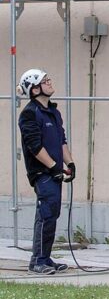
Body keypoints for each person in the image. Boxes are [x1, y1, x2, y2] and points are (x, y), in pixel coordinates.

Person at [17, 69, 76, 275]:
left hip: (54, 172)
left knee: (52, 214)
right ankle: (38, 261)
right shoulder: (29, 114)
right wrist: (53, 167)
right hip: (42, 174)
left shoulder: (53, 112)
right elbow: (34, 146)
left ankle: (43, 258)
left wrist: (70, 163)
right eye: (45, 81)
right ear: (34, 89)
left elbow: (61, 141)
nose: (50, 83)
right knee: (46, 214)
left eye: (49, 79)